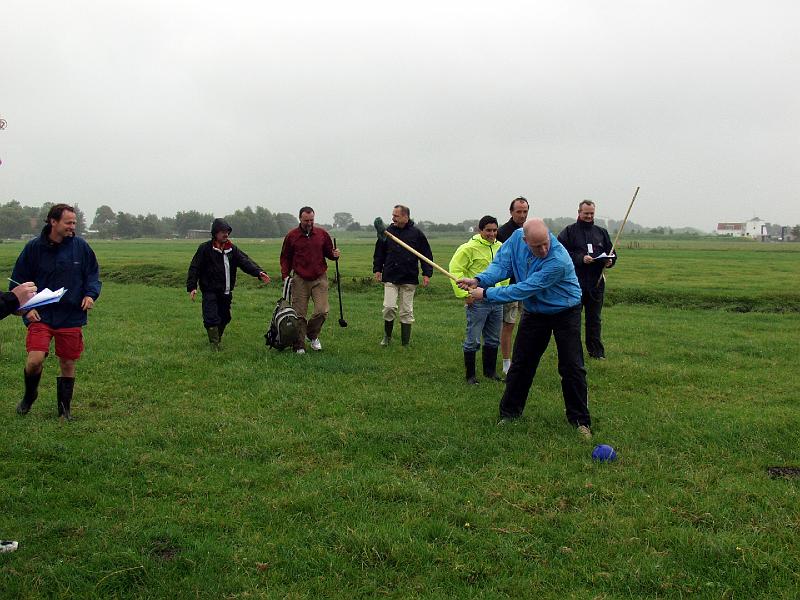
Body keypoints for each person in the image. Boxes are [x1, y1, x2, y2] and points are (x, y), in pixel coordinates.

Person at [458, 218, 592, 438]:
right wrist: (479, 280)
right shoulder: (515, 240)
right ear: (525, 240)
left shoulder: (558, 260)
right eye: (537, 245)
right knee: (522, 364)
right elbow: (502, 266)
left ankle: (580, 421)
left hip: (565, 310)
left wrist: (486, 293)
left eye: (546, 243)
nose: (543, 249)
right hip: (535, 312)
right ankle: (509, 414)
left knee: (571, 366)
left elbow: (524, 289)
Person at [12, 204, 102, 420]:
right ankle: (29, 395)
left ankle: (64, 411)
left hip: (71, 314)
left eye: (74, 223)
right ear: (53, 222)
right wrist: (27, 309)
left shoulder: (81, 247)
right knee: (34, 360)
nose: (73, 227)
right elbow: (18, 282)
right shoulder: (33, 248)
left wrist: (90, 294)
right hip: (40, 314)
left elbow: (92, 274)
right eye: (68, 223)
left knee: (67, 362)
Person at [187, 218, 271, 350]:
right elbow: (194, 267)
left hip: (225, 291)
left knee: (225, 317)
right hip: (209, 289)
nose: (225, 234)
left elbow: (245, 262)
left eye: (227, 232)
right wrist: (192, 287)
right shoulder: (204, 249)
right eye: (222, 232)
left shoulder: (232, 249)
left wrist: (259, 273)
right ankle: (215, 345)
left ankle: (217, 337)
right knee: (211, 317)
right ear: (215, 233)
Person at [449, 216, 507, 385]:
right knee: (473, 339)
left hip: (495, 299)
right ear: (480, 230)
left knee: (493, 338)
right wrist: (465, 295)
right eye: (488, 230)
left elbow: (504, 271)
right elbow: (455, 270)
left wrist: (502, 292)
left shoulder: (500, 247)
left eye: (495, 230)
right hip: (477, 301)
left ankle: (490, 372)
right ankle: (470, 376)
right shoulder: (468, 248)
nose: (492, 234)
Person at [557, 200, 617, 359]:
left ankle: (596, 353)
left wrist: (610, 260)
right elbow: (560, 255)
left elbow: (612, 252)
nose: (589, 216)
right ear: (579, 213)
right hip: (575, 283)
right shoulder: (568, 232)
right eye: (586, 213)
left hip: (596, 283)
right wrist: (580, 258)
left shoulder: (601, 232)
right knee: (573, 321)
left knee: (594, 320)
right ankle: (573, 353)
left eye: (592, 213)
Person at [279, 207, 340, 354]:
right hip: (299, 278)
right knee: (299, 314)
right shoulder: (291, 236)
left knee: (322, 311)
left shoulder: (322, 234)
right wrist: (285, 275)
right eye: (306, 220)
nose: (309, 223)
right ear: (300, 218)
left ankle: (311, 335)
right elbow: (285, 257)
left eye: (311, 220)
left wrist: (335, 254)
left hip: (320, 277)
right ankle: (299, 345)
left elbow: (329, 254)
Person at [373, 205, 433, 347]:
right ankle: (387, 337)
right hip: (390, 276)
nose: (393, 218)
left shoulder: (417, 234)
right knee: (389, 307)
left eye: (396, 216)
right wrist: (377, 269)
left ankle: (405, 343)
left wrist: (427, 273)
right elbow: (379, 252)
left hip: (409, 277)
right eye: (393, 215)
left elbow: (426, 255)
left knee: (406, 311)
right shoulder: (386, 232)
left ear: (406, 217)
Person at [496, 197, 530, 375]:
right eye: (519, 211)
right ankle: (506, 362)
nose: (522, 215)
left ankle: (522, 359)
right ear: (511, 212)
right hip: (510, 287)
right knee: (508, 324)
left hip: (528, 286)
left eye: (525, 211)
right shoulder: (503, 232)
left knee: (527, 325)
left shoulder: (530, 230)